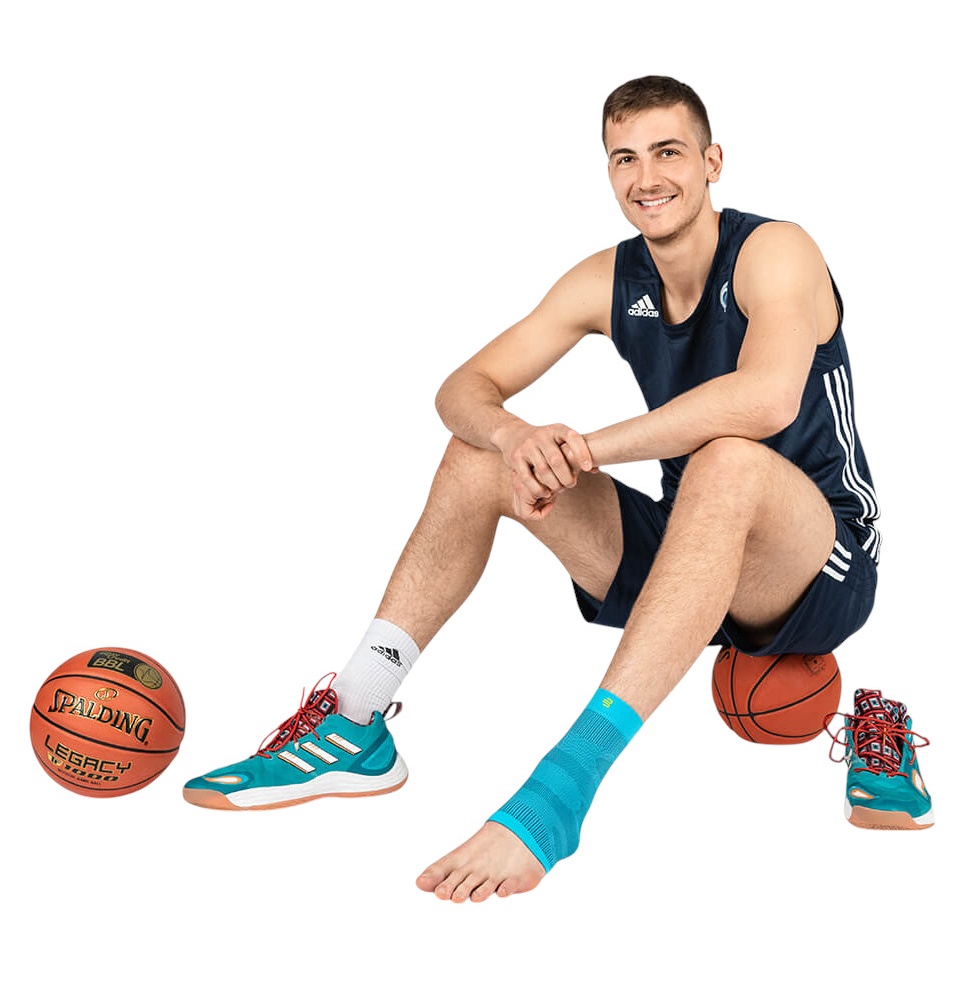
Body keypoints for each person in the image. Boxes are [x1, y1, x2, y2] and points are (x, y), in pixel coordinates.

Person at [183, 75, 884, 901]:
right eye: (624, 158)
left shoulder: (775, 250)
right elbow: (462, 388)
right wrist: (515, 436)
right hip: (690, 554)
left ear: (711, 161)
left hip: (819, 563)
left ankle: (560, 791)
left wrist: (585, 449)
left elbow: (766, 399)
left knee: (727, 458)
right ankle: (354, 720)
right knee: (478, 453)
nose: (646, 176)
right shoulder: (609, 279)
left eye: (667, 152)